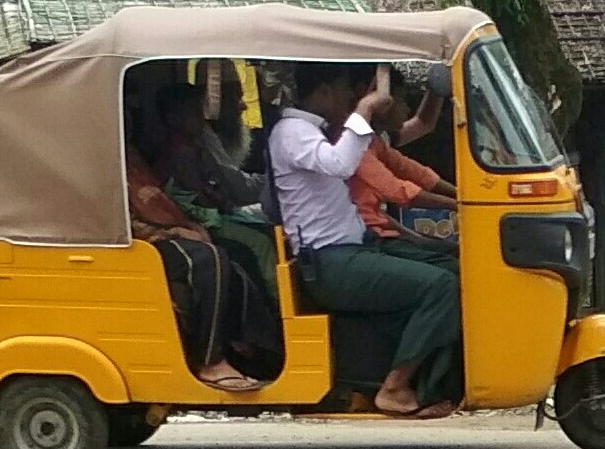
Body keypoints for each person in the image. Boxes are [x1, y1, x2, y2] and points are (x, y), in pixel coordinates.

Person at [269, 62, 461, 418]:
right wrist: (365, 109)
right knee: (442, 287)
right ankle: (394, 388)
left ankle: (424, 381)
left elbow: (408, 161)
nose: (351, 98)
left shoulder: (318, 130)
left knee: (450, 268)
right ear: (324, 91)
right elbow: (341, 165)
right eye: (346, 90)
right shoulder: (292, 131)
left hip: (353, 249)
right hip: (332, 261)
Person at [125, 107, 279, 390]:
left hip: (168, 227)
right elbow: (127, 218)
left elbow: (160, 201)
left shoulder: (132, 157)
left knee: (233, 261)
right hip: (139, 242)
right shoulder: (111, 163)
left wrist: (185, 224)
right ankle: (211, 361)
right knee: (211, 260)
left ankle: (255, 344)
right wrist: (171, 230)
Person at [155, 81, 278, 304]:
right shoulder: (180, 152)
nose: (202, 119)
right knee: (262, 243)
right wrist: (223, 201)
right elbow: (201, 194)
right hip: (202, 218)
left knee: (267, 229)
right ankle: (277, 300)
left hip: (213, 213)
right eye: (194, 113)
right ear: (173, 120)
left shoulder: (195, 146)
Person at [347, 66, 458, 272]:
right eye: (400, 100)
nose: (407, 108)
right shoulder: (351, 143)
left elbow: (416, 172)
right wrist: (459, 204)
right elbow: (398, 190)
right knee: (448, 271)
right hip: (366, 238)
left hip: (381, 227)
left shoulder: (379, 139)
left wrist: (462, 195)